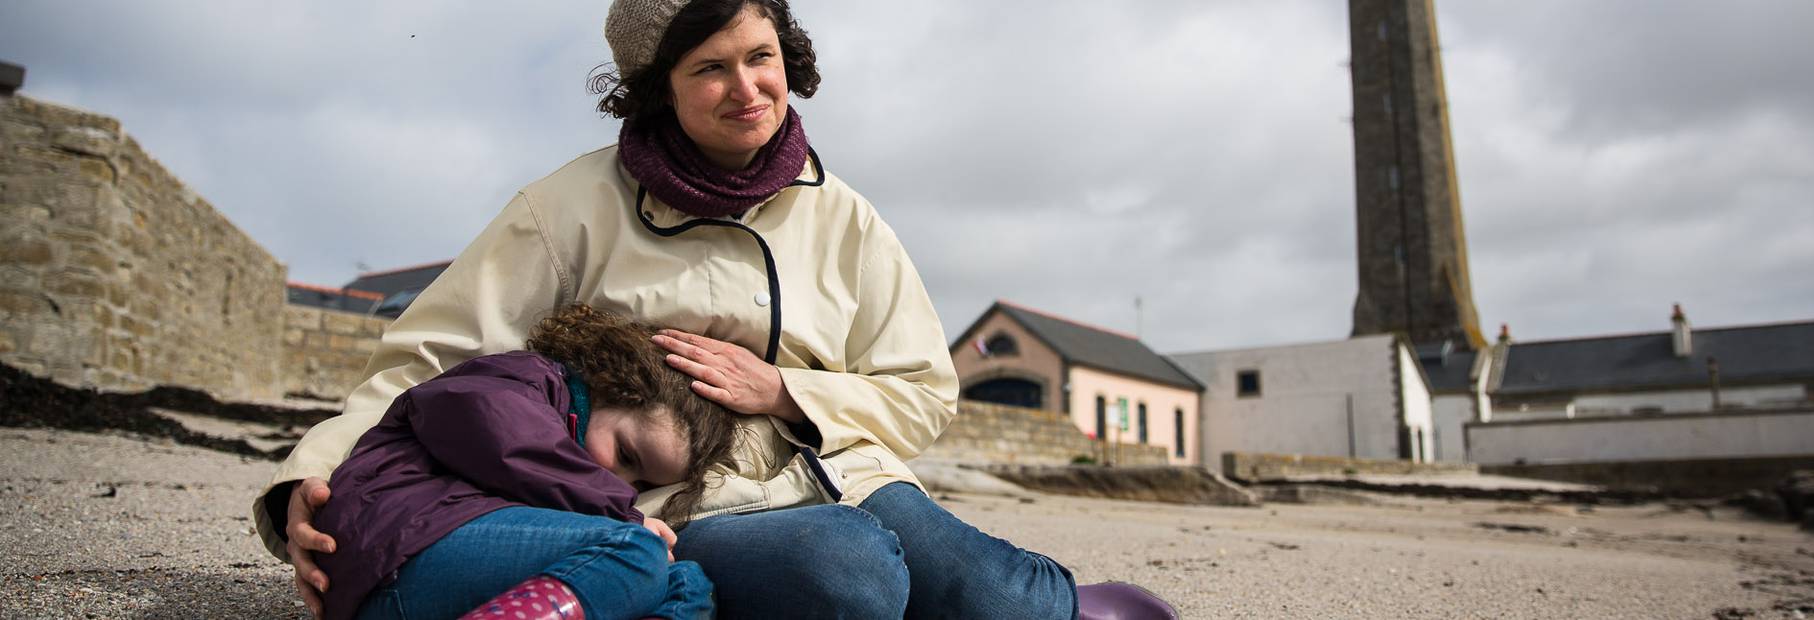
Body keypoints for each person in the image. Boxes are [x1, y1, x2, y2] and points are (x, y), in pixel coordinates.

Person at [256, 0, 1172, 617]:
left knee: (1003, 596)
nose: (748, 90)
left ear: (790, 57)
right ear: (659, 85)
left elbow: (925, 392)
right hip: (671, 502)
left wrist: (786, 392)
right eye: (711, 68)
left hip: (847, 473)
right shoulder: (569, 206)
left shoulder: (847, 215)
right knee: (849, 574)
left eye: (762, 57)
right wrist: (313, 484)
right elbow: (430, 362)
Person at [312, 304, 734, 620]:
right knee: (635, 550)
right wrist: (619, 514)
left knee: (686, 582)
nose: (620, 480)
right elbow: (498, 430)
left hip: (457, 569)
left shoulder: (572, 479)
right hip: (396, 554)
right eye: (625, 455)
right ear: (610, 386)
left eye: (638, 484)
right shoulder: (525, 379)